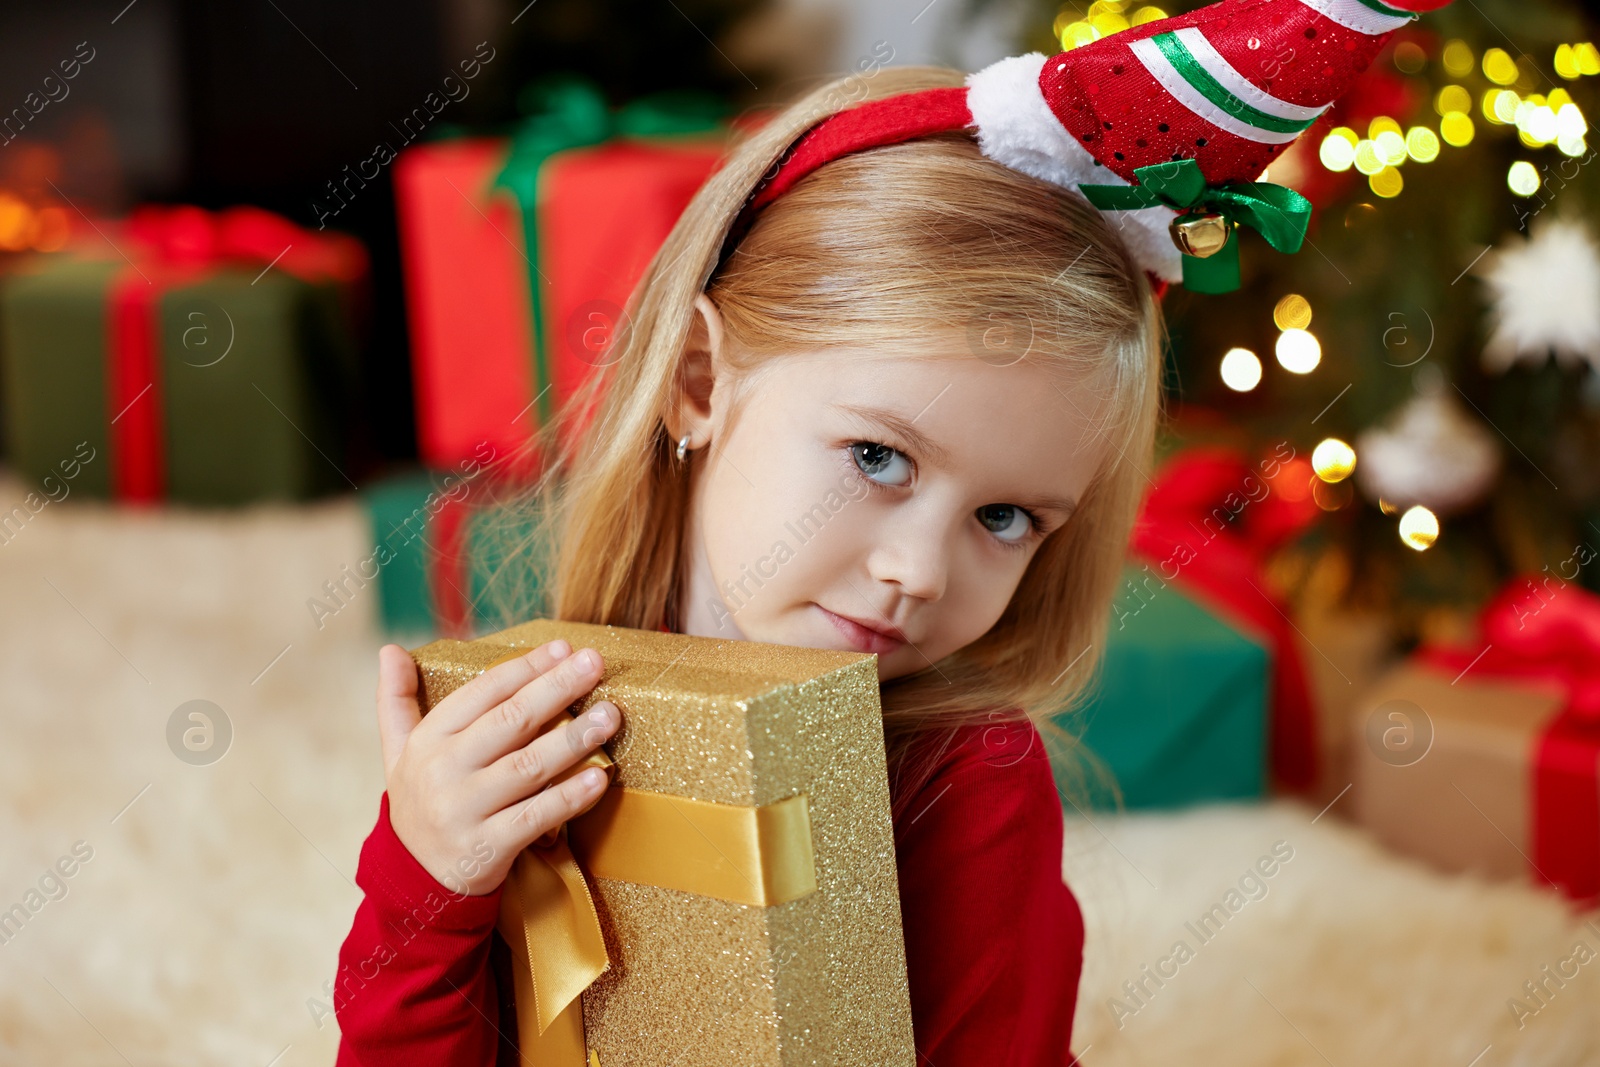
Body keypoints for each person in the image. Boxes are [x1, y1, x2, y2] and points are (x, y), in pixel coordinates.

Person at [331, 0, 1429, 1057]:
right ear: (701, 380)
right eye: (877, 458)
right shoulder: (543, 716)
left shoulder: (968, 783)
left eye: (1004, 517)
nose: (914, 570)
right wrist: (430, 873)